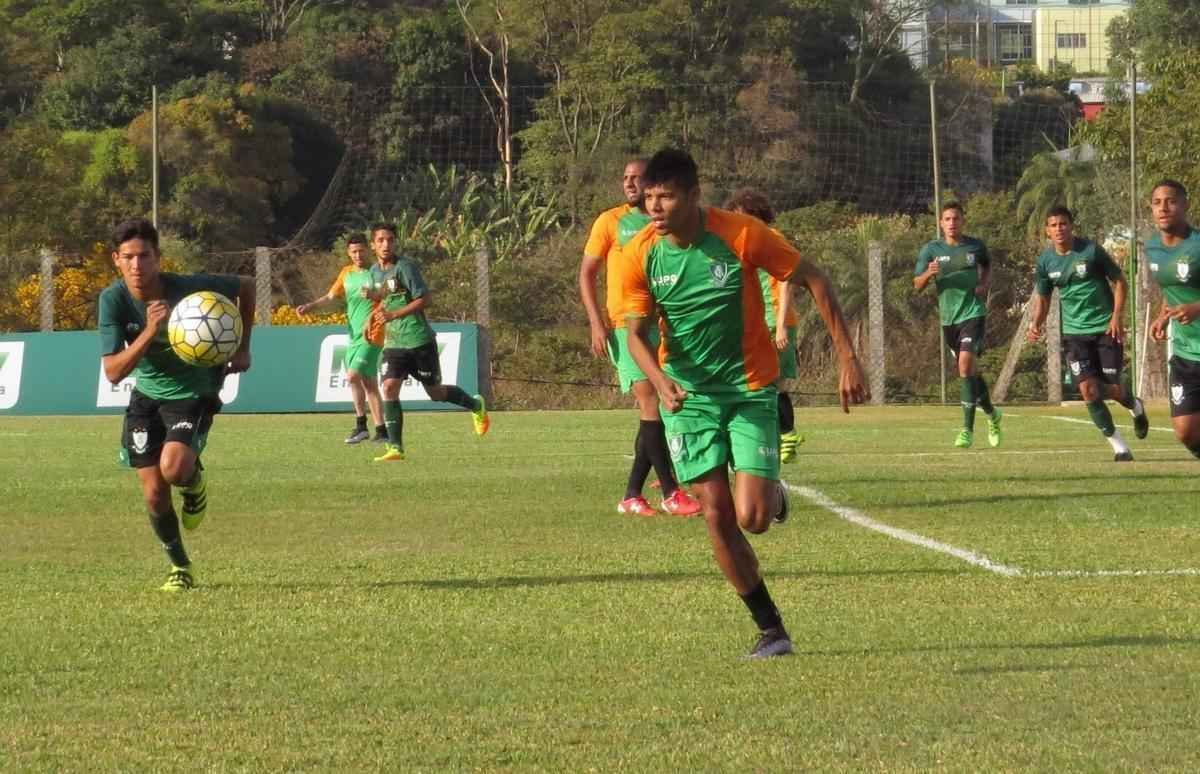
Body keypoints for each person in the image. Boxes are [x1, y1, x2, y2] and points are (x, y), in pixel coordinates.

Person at [620, 149, 867, 658]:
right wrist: (660, 379)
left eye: (665, 196)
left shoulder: (742, 234)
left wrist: (849, 360)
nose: (655, 207)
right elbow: (636, 335)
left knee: (751, 517)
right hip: (688, 397)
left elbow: (814, 278)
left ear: (693, 195)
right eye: (648, 198)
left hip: (751, 388)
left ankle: (772, 495)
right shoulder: (639, 253)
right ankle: (771, 630)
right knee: (716, 514)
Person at [98, 218, 255, 591]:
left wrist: (244, 345)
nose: (137, 265)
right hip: (145, 396)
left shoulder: (186, 287)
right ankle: (180, 567)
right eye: (129, 258)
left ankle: (194, 483)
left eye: (144, 256)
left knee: (174, 468)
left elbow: (246, 287)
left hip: (193, 390)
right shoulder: (113, 300)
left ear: (158, 258)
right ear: (116, 260)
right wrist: (150, 331)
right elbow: (113, 372)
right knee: (153, 493)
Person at [579, 158, 701, 517]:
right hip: (626, 325)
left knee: (659, 408)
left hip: (664, 326)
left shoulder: (663, 222)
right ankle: (670, 492)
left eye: (637, 178)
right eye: (625, 177)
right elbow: (586, 273)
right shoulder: (610, 221)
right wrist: (596, 322)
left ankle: (632, 494)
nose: (630, 183)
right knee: (652, 403)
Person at [1029, 206, 1148, 460]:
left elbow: (1119, 282)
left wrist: (1116, 316)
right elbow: (1044, 298)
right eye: (1053, 225)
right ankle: (1120, 447)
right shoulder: (1046, 262)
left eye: (1063, 224)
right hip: (1074, 335)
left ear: (1071, 226)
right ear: (1047, 231)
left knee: (1112, 388)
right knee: (1088, 391)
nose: (1059, 229)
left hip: (1105, 330)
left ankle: (1135, 406)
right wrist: (1036, 324)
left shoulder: (1091, 251)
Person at [364, 223, 489, 461]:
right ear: (373, 244)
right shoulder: (374, 272)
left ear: (395, 242)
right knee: (389, 387)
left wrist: (394, 315)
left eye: (390, 240)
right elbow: (384, 298)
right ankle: (395, 447)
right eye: (380, 240)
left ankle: (475, 405)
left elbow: (425, 299)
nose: (385, 244)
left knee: (436, 393)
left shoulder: (405, 268)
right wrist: (371, 319)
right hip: (394, 343)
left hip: (419, 340)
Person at [723, 188, 805, 463]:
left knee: (773, 385)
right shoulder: (743, 244)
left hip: (774, 323)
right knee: (764, 385)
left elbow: (786, 281)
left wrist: (781, 325)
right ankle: (780, 437)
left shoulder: (772, 239)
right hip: (756, 324)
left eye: (740, 217)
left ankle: (786, 434)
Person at [913, 202, 1003, 448]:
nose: (952, 223)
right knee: (970, 372)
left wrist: (984, 283)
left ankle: (966, 430)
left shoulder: (975, 246)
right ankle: (993, 415)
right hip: (948, 319)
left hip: (973, 313)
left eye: (956, 218)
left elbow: (987, 264)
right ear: (941, 223)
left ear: (963, 221)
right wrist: (928, 274)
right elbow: (917, 285)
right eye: (947, 219)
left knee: (965, 366)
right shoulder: (931, 250)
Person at [296, 234, 386, 444]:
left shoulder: (379, 272)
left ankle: (361, 424)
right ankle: (379, 430)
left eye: (361, 250)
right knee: (368, 383)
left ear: (369, 250)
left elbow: (390, 297)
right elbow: (330, 297)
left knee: (353, 375)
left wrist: (375, 299)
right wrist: (309, 306)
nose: (358, 255)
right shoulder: (346, 273)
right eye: (353, 252)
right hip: (354, 335)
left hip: (373, 334)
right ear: (348, 253)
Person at [1146, 179, 1200, 458]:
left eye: (1171, 201)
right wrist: (1163, 315)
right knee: (1185, 431)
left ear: (1185, 205)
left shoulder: (1198, 245)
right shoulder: (1152, 248)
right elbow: (1171, 288)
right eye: (1157, 202)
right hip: (1185, 352)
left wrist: (1196, 308)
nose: (1163, 208)